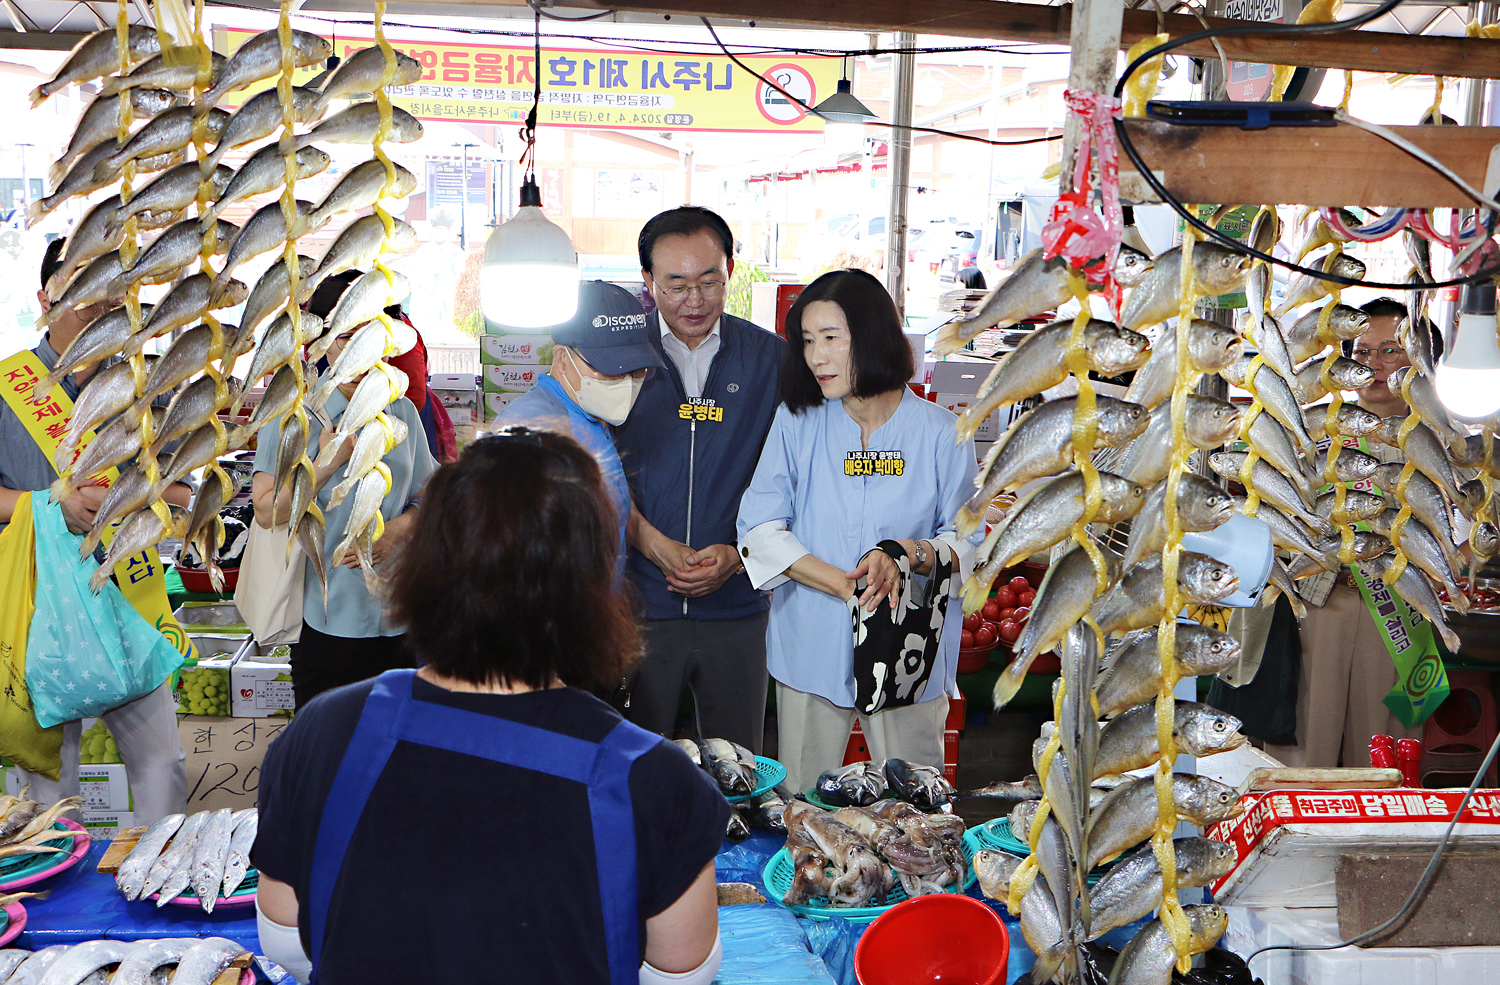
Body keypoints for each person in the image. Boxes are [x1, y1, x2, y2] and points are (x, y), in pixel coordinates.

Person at [252, 428, 727, 985]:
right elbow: (680, 974)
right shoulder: (656, 779)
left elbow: (286, 939)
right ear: (594, 585)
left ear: (426, 562)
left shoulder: (323, 731)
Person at [736, 269, 978, 791]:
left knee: (914, 810)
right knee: (806, 801)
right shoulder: (796, 421)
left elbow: (971, 539)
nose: (816, 356)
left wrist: (909, 553)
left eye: (831, 339)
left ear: (871, 337)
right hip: (811, 641)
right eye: (806, 341)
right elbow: (758, 524)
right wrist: (841, 583)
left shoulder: (941, 432)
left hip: (909, 646)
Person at [0, 237, 189, 824]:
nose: (99, 300)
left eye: (110, 289)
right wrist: (49, 504)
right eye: (83, 284)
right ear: (46, 297)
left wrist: (131, 498)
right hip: (35, 605)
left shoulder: (144, 389)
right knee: (46, 789)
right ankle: (52, 905)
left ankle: (167, 893)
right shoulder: (8, 387)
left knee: (161, 767)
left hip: (127, 596)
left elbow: (183, 490)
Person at [613, 207, 786, 753]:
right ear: (648, 281)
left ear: (730, 271)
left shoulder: (771, 361)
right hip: (640, 606)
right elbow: (592, 473)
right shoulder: (615, 359)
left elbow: (798, 477)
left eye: (709, 280)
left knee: (740, 771)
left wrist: (741, 552)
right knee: (634, 767)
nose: (695, 299)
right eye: (677, 283)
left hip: (737, 610)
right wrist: (649, 541)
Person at [250, 271, 438, 710]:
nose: (355, 355)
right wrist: (326, 463)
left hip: (399, 619)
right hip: (324, 621)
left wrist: (400, 529)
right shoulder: (291, 417)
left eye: (369, 340)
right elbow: (264, 511)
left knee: (395, 753)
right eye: (344, 338)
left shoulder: (404, 412)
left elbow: (432, 496)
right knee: (327, 755)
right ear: (322, 342)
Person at [1265, 297, 1434, 768]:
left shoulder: (1439, 434)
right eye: (1362, 353)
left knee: (1385, 758)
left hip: (1401, 612)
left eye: (1389, 350)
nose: (1374, 365)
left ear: (1416, 355)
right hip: (1322, 602)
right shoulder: (1315, 426)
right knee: (1304, 755)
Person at [496, 280, 664, 553]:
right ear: (562, 359)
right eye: (612, 370)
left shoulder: (590, 415)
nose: (627, 381)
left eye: (637, 369)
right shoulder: (534, 430)